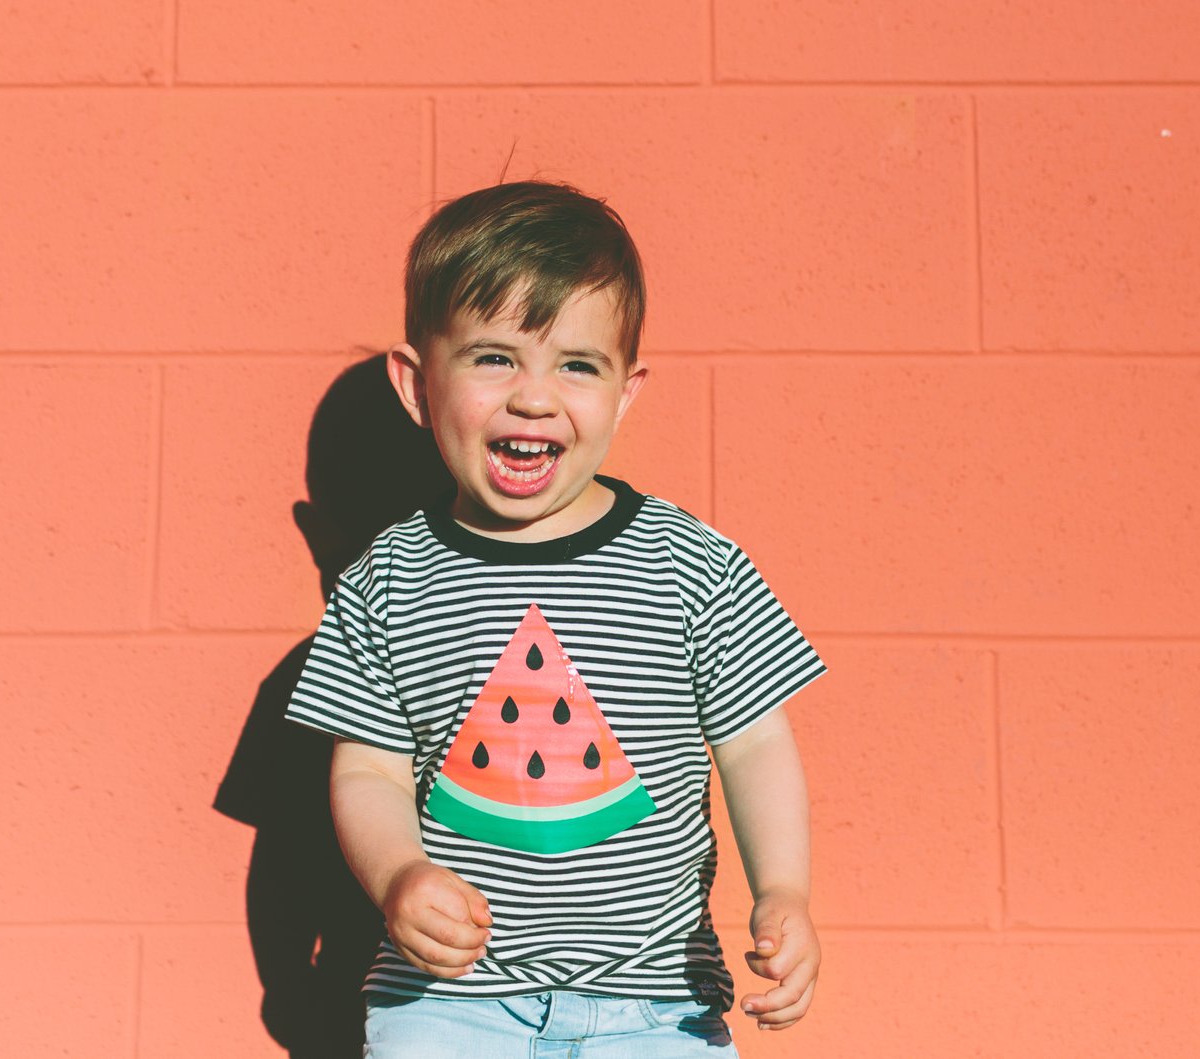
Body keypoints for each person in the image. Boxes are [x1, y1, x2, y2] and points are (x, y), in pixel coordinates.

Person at [285, 180, 827, 1055]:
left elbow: (756, 742)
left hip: (659, 1005)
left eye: (577, 364)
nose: (535, 398)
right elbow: (369, 776)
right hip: (448, 1003)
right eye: (495, 358)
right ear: (418, 385)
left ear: (624, 392)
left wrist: (785, 890)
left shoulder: (692, 563)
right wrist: (399, 875)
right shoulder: (386, 580)